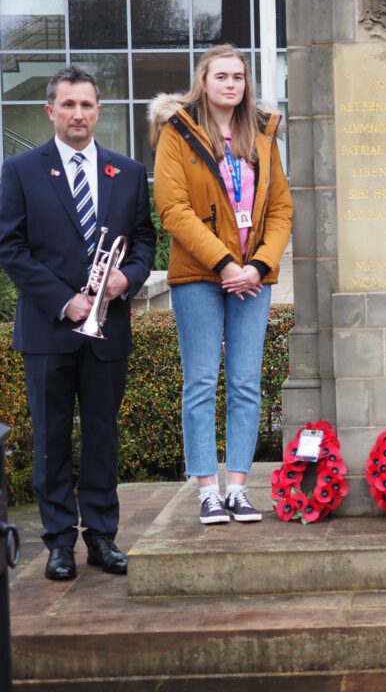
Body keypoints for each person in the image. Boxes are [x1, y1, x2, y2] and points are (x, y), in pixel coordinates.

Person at [0, 67, 155, 580]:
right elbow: (11, 249)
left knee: (102, 437)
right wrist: (64, 301)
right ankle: (59, 543)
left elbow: (145, 241)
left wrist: (124, 280)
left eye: (86, 105)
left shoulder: (127, 172)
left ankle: (103, 538)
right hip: (49, 328)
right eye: (68, 105)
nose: (77, 115)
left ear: (98, 111)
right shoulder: (21, 170)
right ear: (51, 111)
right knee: (50, 441)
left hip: (107, 328)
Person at [151, 44, 293, 525]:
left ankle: (237, 487)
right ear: (203, 82)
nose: (231, 84)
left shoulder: (264, 135)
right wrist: (225, 263)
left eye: (238, 77)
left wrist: (257, 265)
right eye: (221, 76)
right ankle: (206, 489)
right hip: (199, 276)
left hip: (253, 277)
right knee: (201, 382)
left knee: (246, 383)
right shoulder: (177, 133)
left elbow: (280, 210)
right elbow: (173, 209)